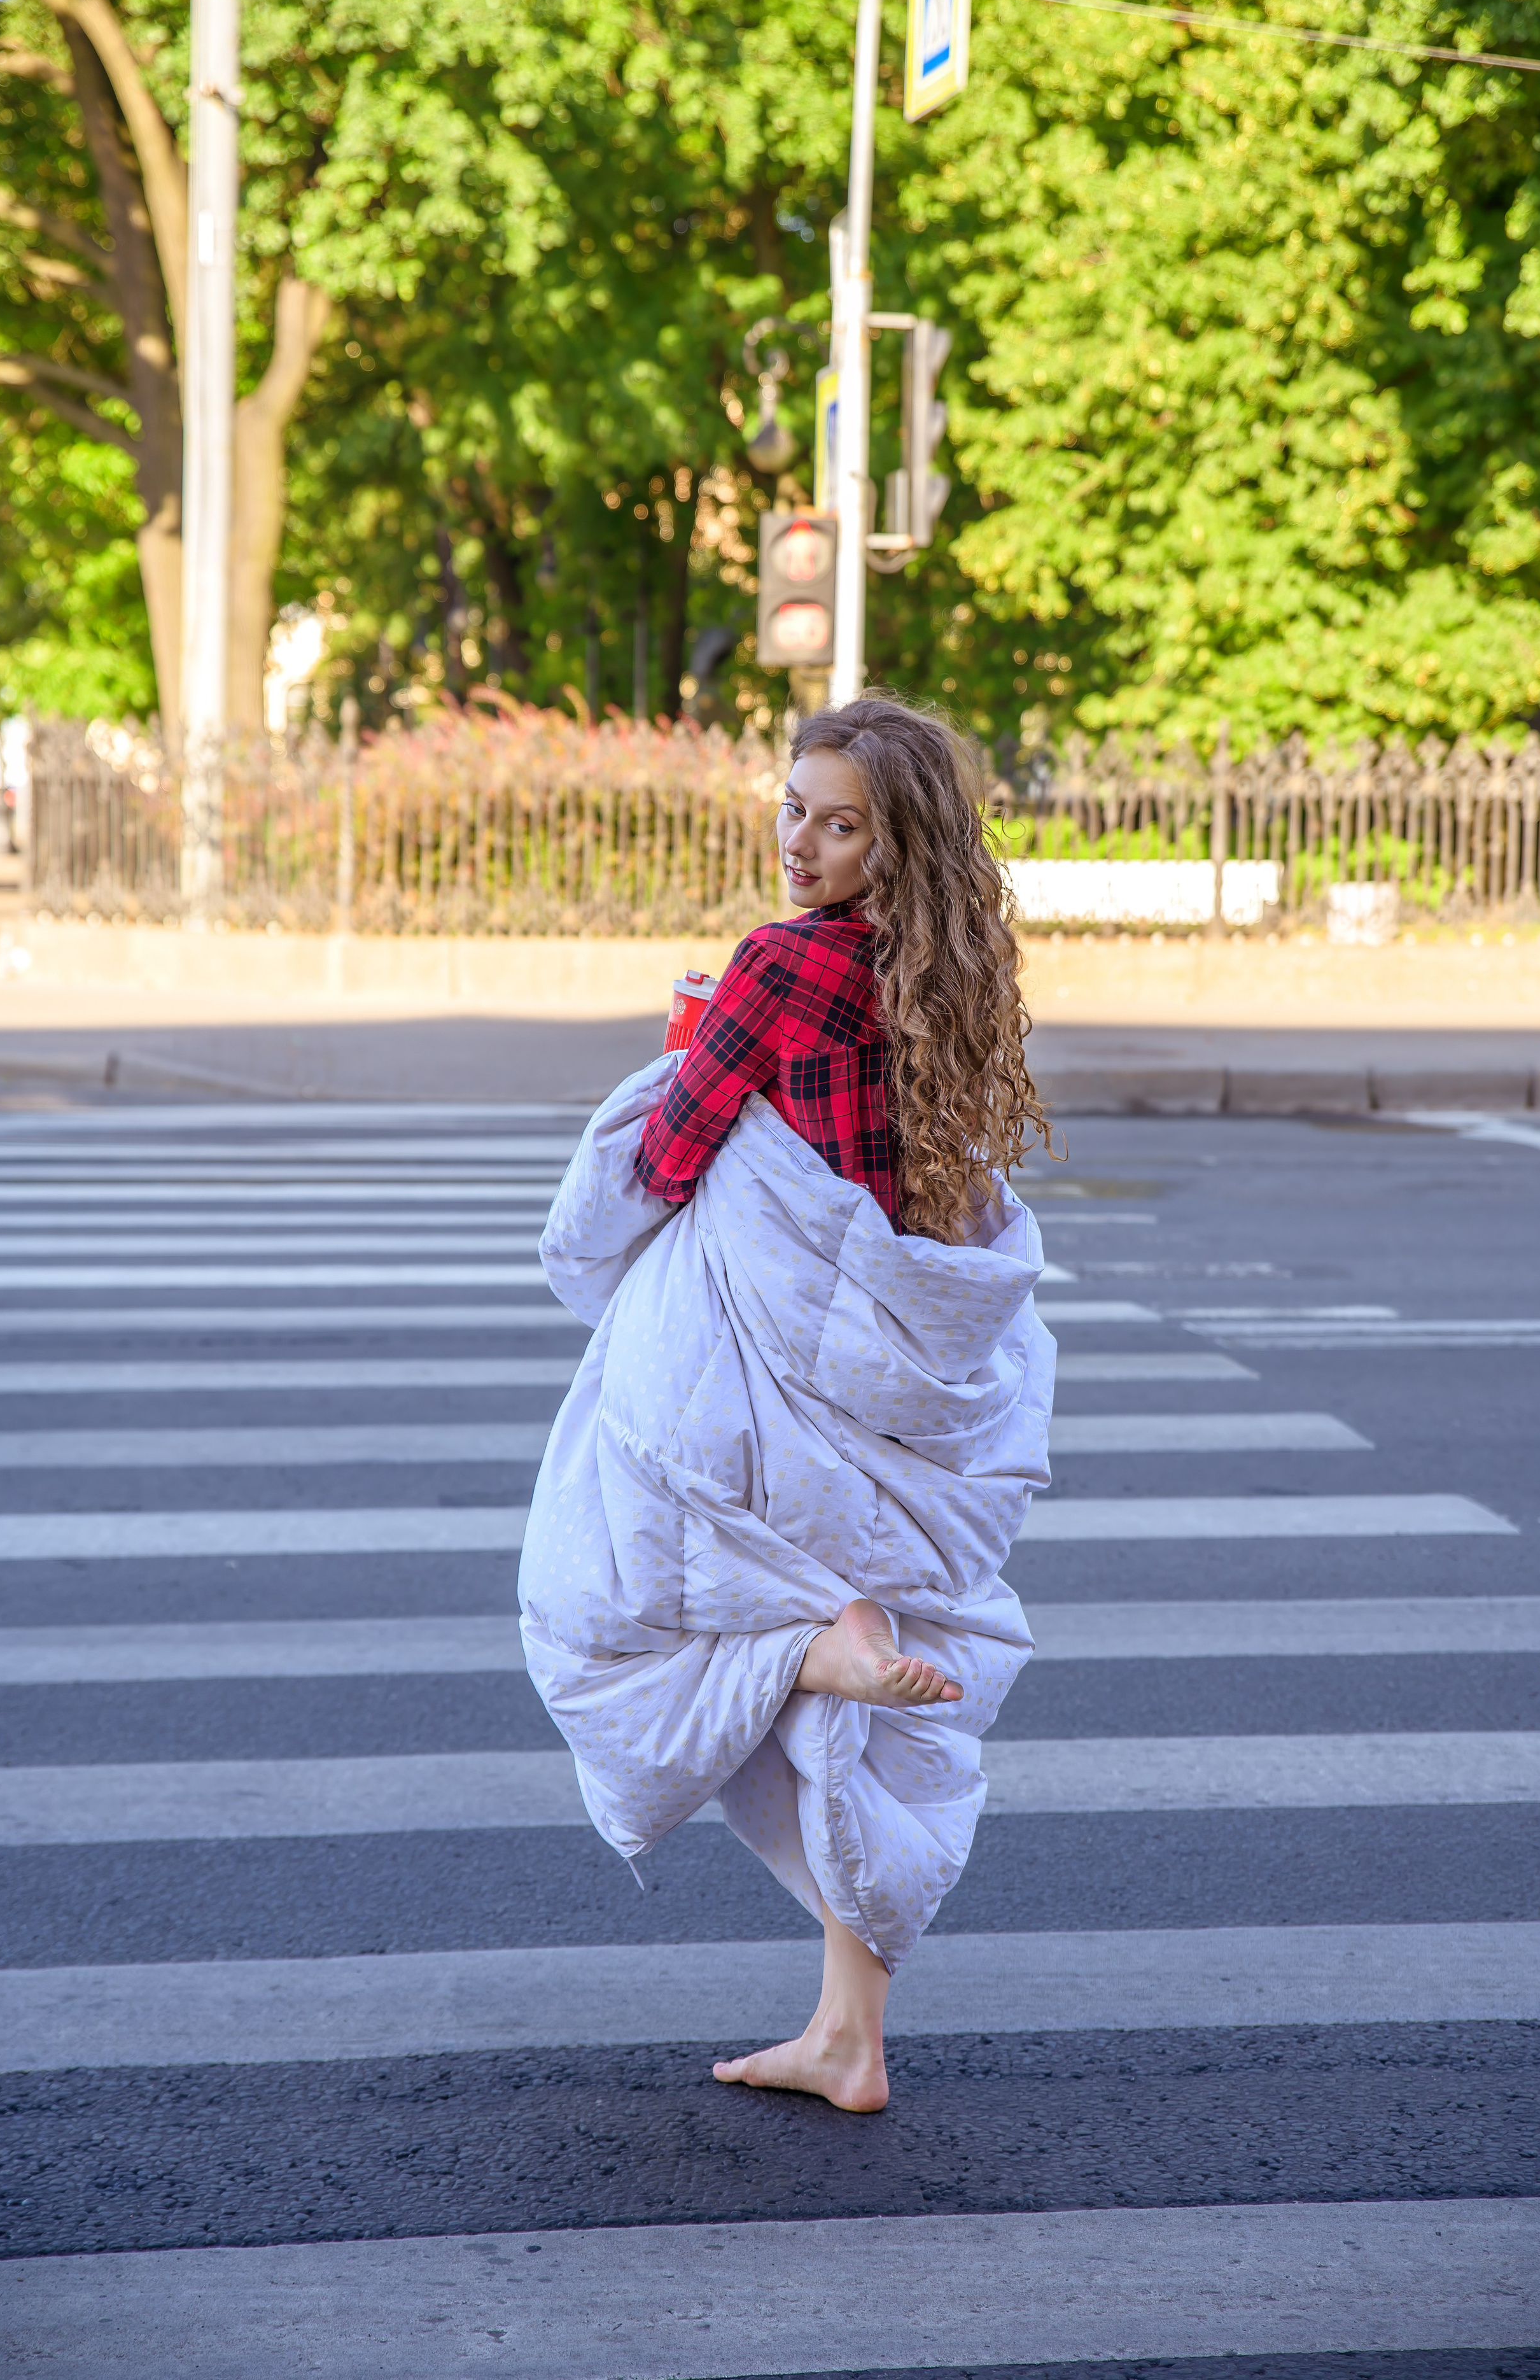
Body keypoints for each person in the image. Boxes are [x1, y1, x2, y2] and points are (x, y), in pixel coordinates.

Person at [519, 696, 1058, 2111]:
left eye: (836, 822)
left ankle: (805, 1655)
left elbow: (680, 1145)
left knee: (614, 1590)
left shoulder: (777, 962)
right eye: (791, 808)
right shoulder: (950, 969)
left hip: (772, 1347)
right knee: (875, 1691)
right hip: (894, 1355)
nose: (799, 842)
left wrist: (683, 1052)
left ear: (893, 842)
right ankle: (848, 2034)